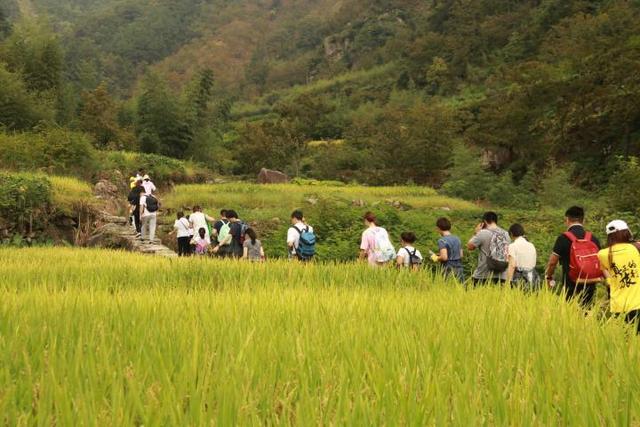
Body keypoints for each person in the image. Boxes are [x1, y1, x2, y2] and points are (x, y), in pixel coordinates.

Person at [545, 206, 602, 307]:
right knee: (587, 312)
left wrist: (549, 277)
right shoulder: (593, 238)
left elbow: (552, 262)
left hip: (570, 285)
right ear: (583, 220)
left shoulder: (563, 238)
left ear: (567, 220)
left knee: (569, 313)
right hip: (590, 284)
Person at [597, 220, 640, 334]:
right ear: (627, 232)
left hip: (618, 306)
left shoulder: (603, 254)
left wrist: (610, 281)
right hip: (638, 303)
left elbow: (606, 272)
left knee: (625, 342)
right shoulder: (637, 247)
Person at [467, 211, 511, 285]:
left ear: (484, 222)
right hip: (502, 273)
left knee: (471, 293)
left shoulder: (483, 233)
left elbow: (470, 247)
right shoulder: (506, 234)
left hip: (483, 273)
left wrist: (476, 232)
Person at [506, 224, 540, 291]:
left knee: (518, 300)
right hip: (533, 277)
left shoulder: (512, 246)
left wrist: (508, 282)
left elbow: (512, 265)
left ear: (511, 234)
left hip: (520, 278)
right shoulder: (531, 245)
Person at [431, 217, 465, 282]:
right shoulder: (457, 239)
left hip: (448, 268)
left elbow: (444, 257)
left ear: (438, 228)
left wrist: (435, 257)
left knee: (448, 287)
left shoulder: (442, 240)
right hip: (459, 267)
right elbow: (461, 255)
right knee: (459, 287)